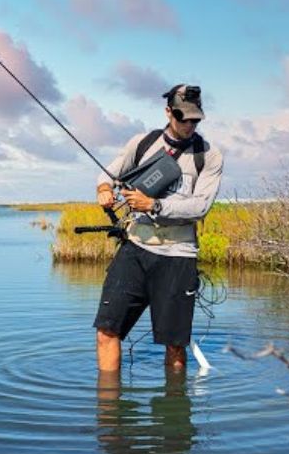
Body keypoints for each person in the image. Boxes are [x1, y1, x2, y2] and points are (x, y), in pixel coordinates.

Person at [94, 84, 223, 371]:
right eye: (182, 117)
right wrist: (104, 188)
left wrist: (153, 205)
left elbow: (200, 206)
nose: (189, 124)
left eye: (195, 119)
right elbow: (107, 174)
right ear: (168, 112)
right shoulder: (142, 142)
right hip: (135, 249)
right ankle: (107, 414)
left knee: (175, 346)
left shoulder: (209, 155)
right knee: (106, 333)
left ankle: (173, 414)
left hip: (178, 256)